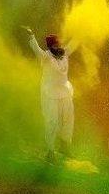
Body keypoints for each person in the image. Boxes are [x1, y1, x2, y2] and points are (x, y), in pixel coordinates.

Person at [23, 26, 77, 163]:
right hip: (50, 92)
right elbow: (36, 49)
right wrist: (31, 35)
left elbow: (74, 43)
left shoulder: (64, 53)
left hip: (65, 91)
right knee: (52, 120)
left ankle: (65, 145)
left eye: (58, 43)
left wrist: (83, 31)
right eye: (54, 44)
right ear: (50, 46)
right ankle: (50, 151)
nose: (57, 46)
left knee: (68, 118)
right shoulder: (46, 56)